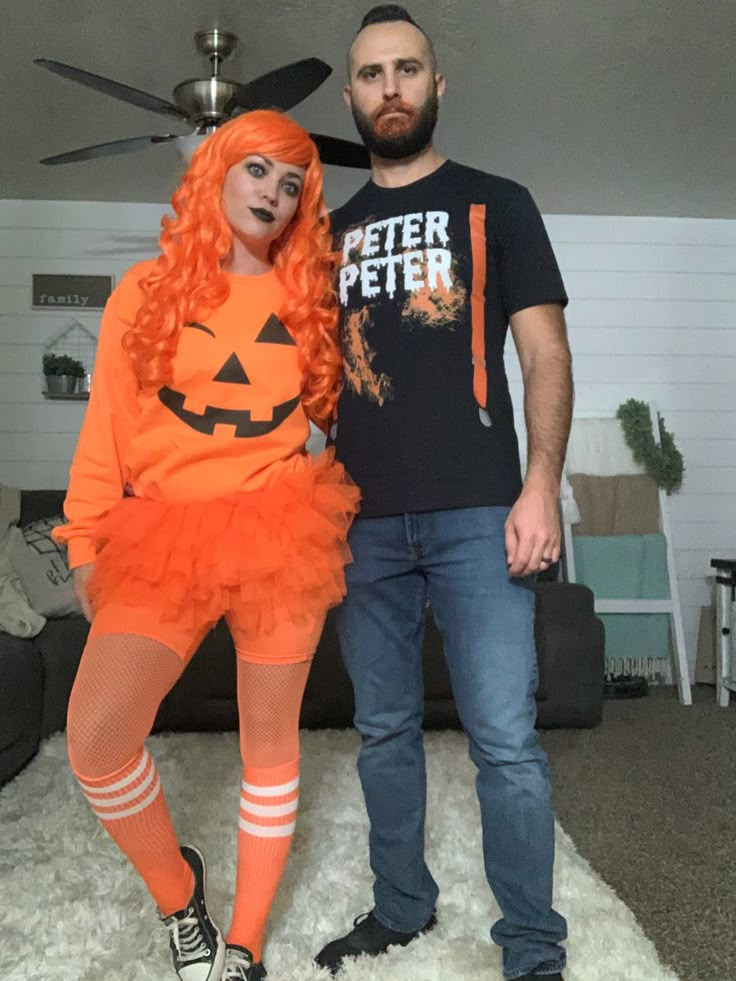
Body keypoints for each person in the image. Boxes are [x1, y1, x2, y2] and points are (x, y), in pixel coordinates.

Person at [53, 109, 360, 981]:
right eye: (258, 170)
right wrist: (82, 542)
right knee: (97, 736)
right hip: (163, 533)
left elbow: (331, 421)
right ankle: (179, 895)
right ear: (216, 170)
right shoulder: (144, 291)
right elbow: (105, 431)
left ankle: (245, 943)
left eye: (292, 182)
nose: (273, 192)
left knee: (271, 742)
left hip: (277, 532)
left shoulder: (306, 305)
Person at [314, 6, 572, 980]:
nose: (388, 87)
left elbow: (545, 352)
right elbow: (302, 389)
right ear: (349, 96)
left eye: (405, 68)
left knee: (505, 742)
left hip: (478, 513)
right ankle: (402, 909)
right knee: (381, 732)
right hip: (357, 524)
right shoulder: (326, 234)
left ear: (434, 87)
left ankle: (533, 948)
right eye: (370, 74)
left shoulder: (497, 204)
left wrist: (537, 486)